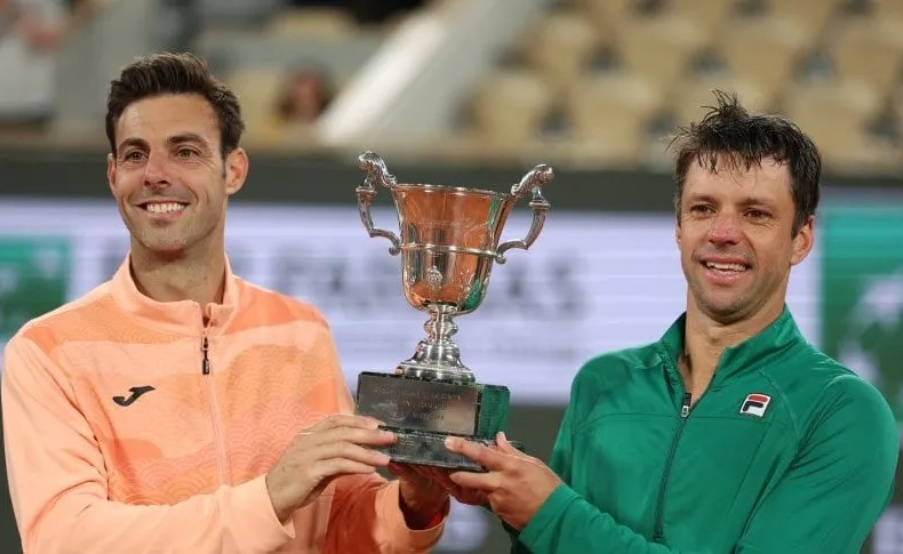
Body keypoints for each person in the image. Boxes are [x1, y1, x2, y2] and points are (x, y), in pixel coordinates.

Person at [1, 52, 450, 553]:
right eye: (134, 154)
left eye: (185, 152)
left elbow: (340, 525)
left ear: (232, 170)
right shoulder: (47, 351)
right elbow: (65, 539)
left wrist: (415, 502)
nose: (155, 174)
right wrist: (269, 497)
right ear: (113, 177)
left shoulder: (300, 331)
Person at [441, 90, 899, 552]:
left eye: (755, 214)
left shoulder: (842, 412)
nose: (722, 234)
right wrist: (502, 492)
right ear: (679, 228)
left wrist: (550, 513)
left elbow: (562, 524)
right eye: (703, 209)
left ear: (801, 239)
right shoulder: (603, 382)